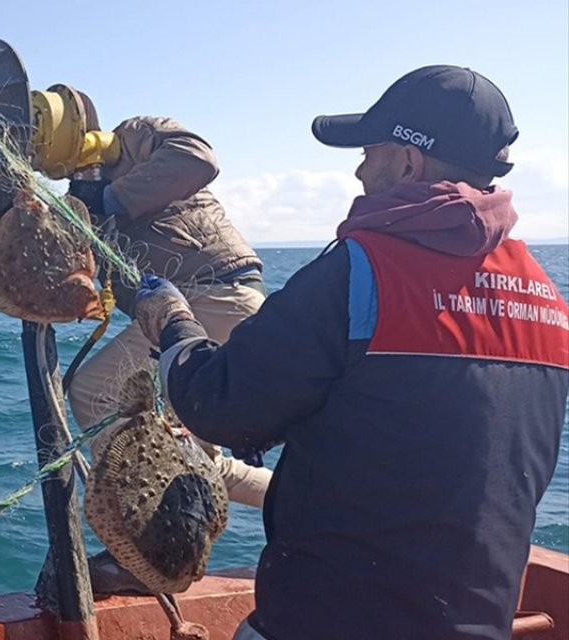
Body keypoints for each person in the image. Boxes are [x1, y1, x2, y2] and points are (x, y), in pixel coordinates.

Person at [135, 66, 568, 640]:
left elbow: (219, 404)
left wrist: (174, 324)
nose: (361, 171)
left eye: (371, 152)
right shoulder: (545, 299)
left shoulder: (360, 272)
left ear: (410, 163)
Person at [0, 114, 273, 592]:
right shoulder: (81, 204)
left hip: (209, 295)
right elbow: (42, 260)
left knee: (93, 392)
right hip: (191, 308)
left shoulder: (137, 139)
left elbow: (197, 157)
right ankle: (305, 497)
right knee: (196, 454)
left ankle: (142, 548)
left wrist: (109, 197)